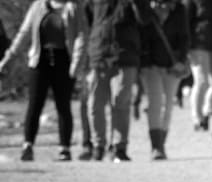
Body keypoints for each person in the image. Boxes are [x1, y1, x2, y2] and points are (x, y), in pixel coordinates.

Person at [0, 0, 86, 162]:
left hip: (64, 61)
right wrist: (7, 59)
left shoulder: (74, 7)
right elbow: (24, 34)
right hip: (40, 61)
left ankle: (64, 149)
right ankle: (28, 145)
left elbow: (82, 36)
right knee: (35, 104)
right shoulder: (38, 6)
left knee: (63, 105)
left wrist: (76, 63)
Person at [84, 0, 155, 162]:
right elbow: (88, 18)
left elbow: (145, 20)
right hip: (99, 53)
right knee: (95, 102)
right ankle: (98, 145)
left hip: (126, 54)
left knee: (121, 100)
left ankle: (119, 146)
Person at [139, 0, 189, 160]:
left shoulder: (179, 9)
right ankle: (157, 146)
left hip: (172, 65)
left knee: (168, 105)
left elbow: (184, 37)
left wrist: (181, 60)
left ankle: (161, 144)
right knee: (155, 104)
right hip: (150, 65)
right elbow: (140, 35)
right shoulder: (144, 8)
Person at [186, 0, 212, 131]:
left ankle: (206, 113)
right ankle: (197, 119)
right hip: (198, 43)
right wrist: (185, 45)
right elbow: (186, 21)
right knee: (201, 81)